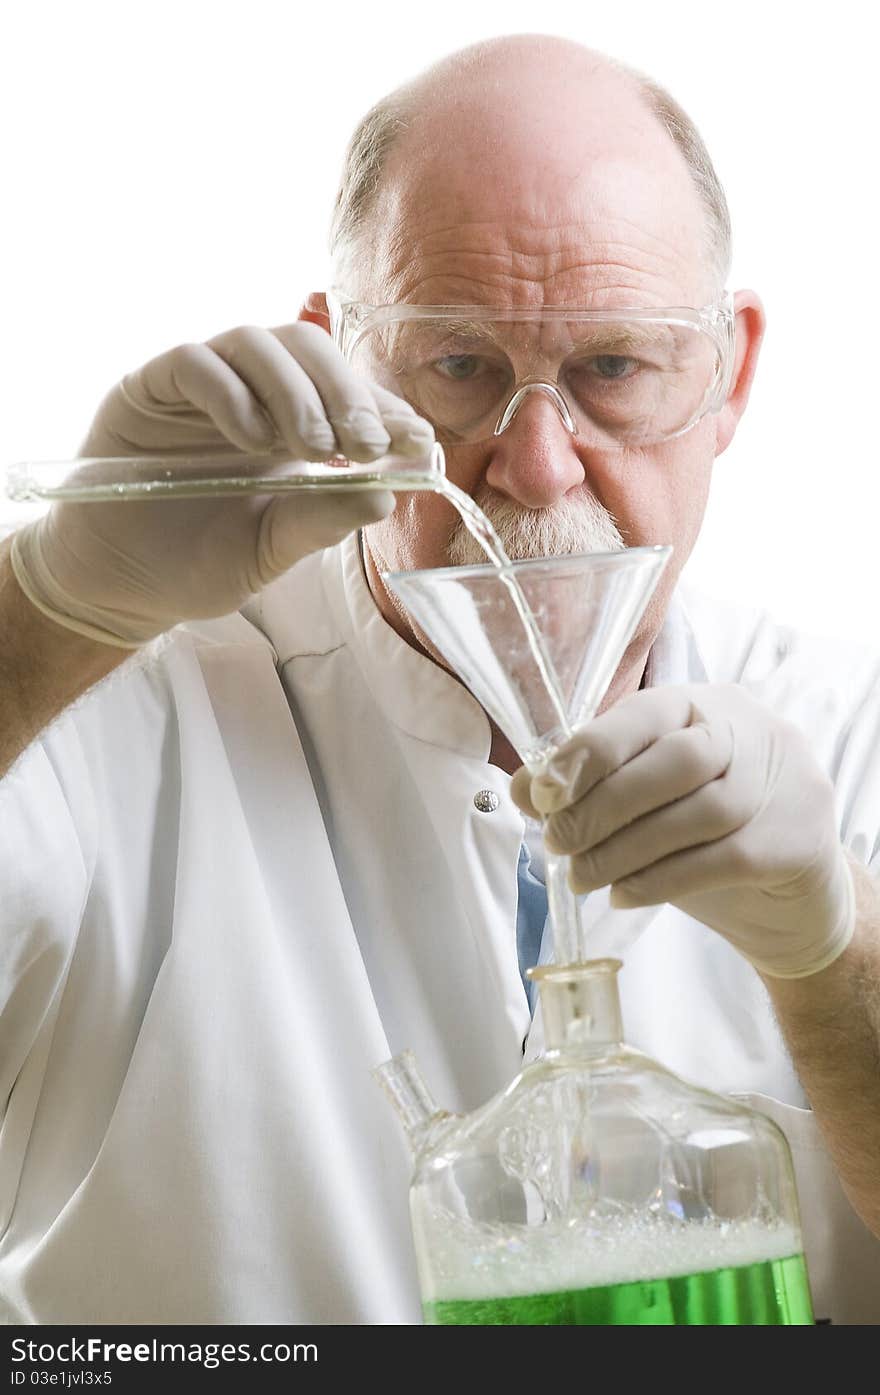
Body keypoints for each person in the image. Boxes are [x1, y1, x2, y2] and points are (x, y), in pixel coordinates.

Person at [1, 33, 879, 1326]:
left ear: (726, 373)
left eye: (615, 369)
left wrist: (834, 953)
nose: (536, 466)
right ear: (343, 362)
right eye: (458, 365)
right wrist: (44, 610)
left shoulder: (844, 738)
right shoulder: (114, 716)